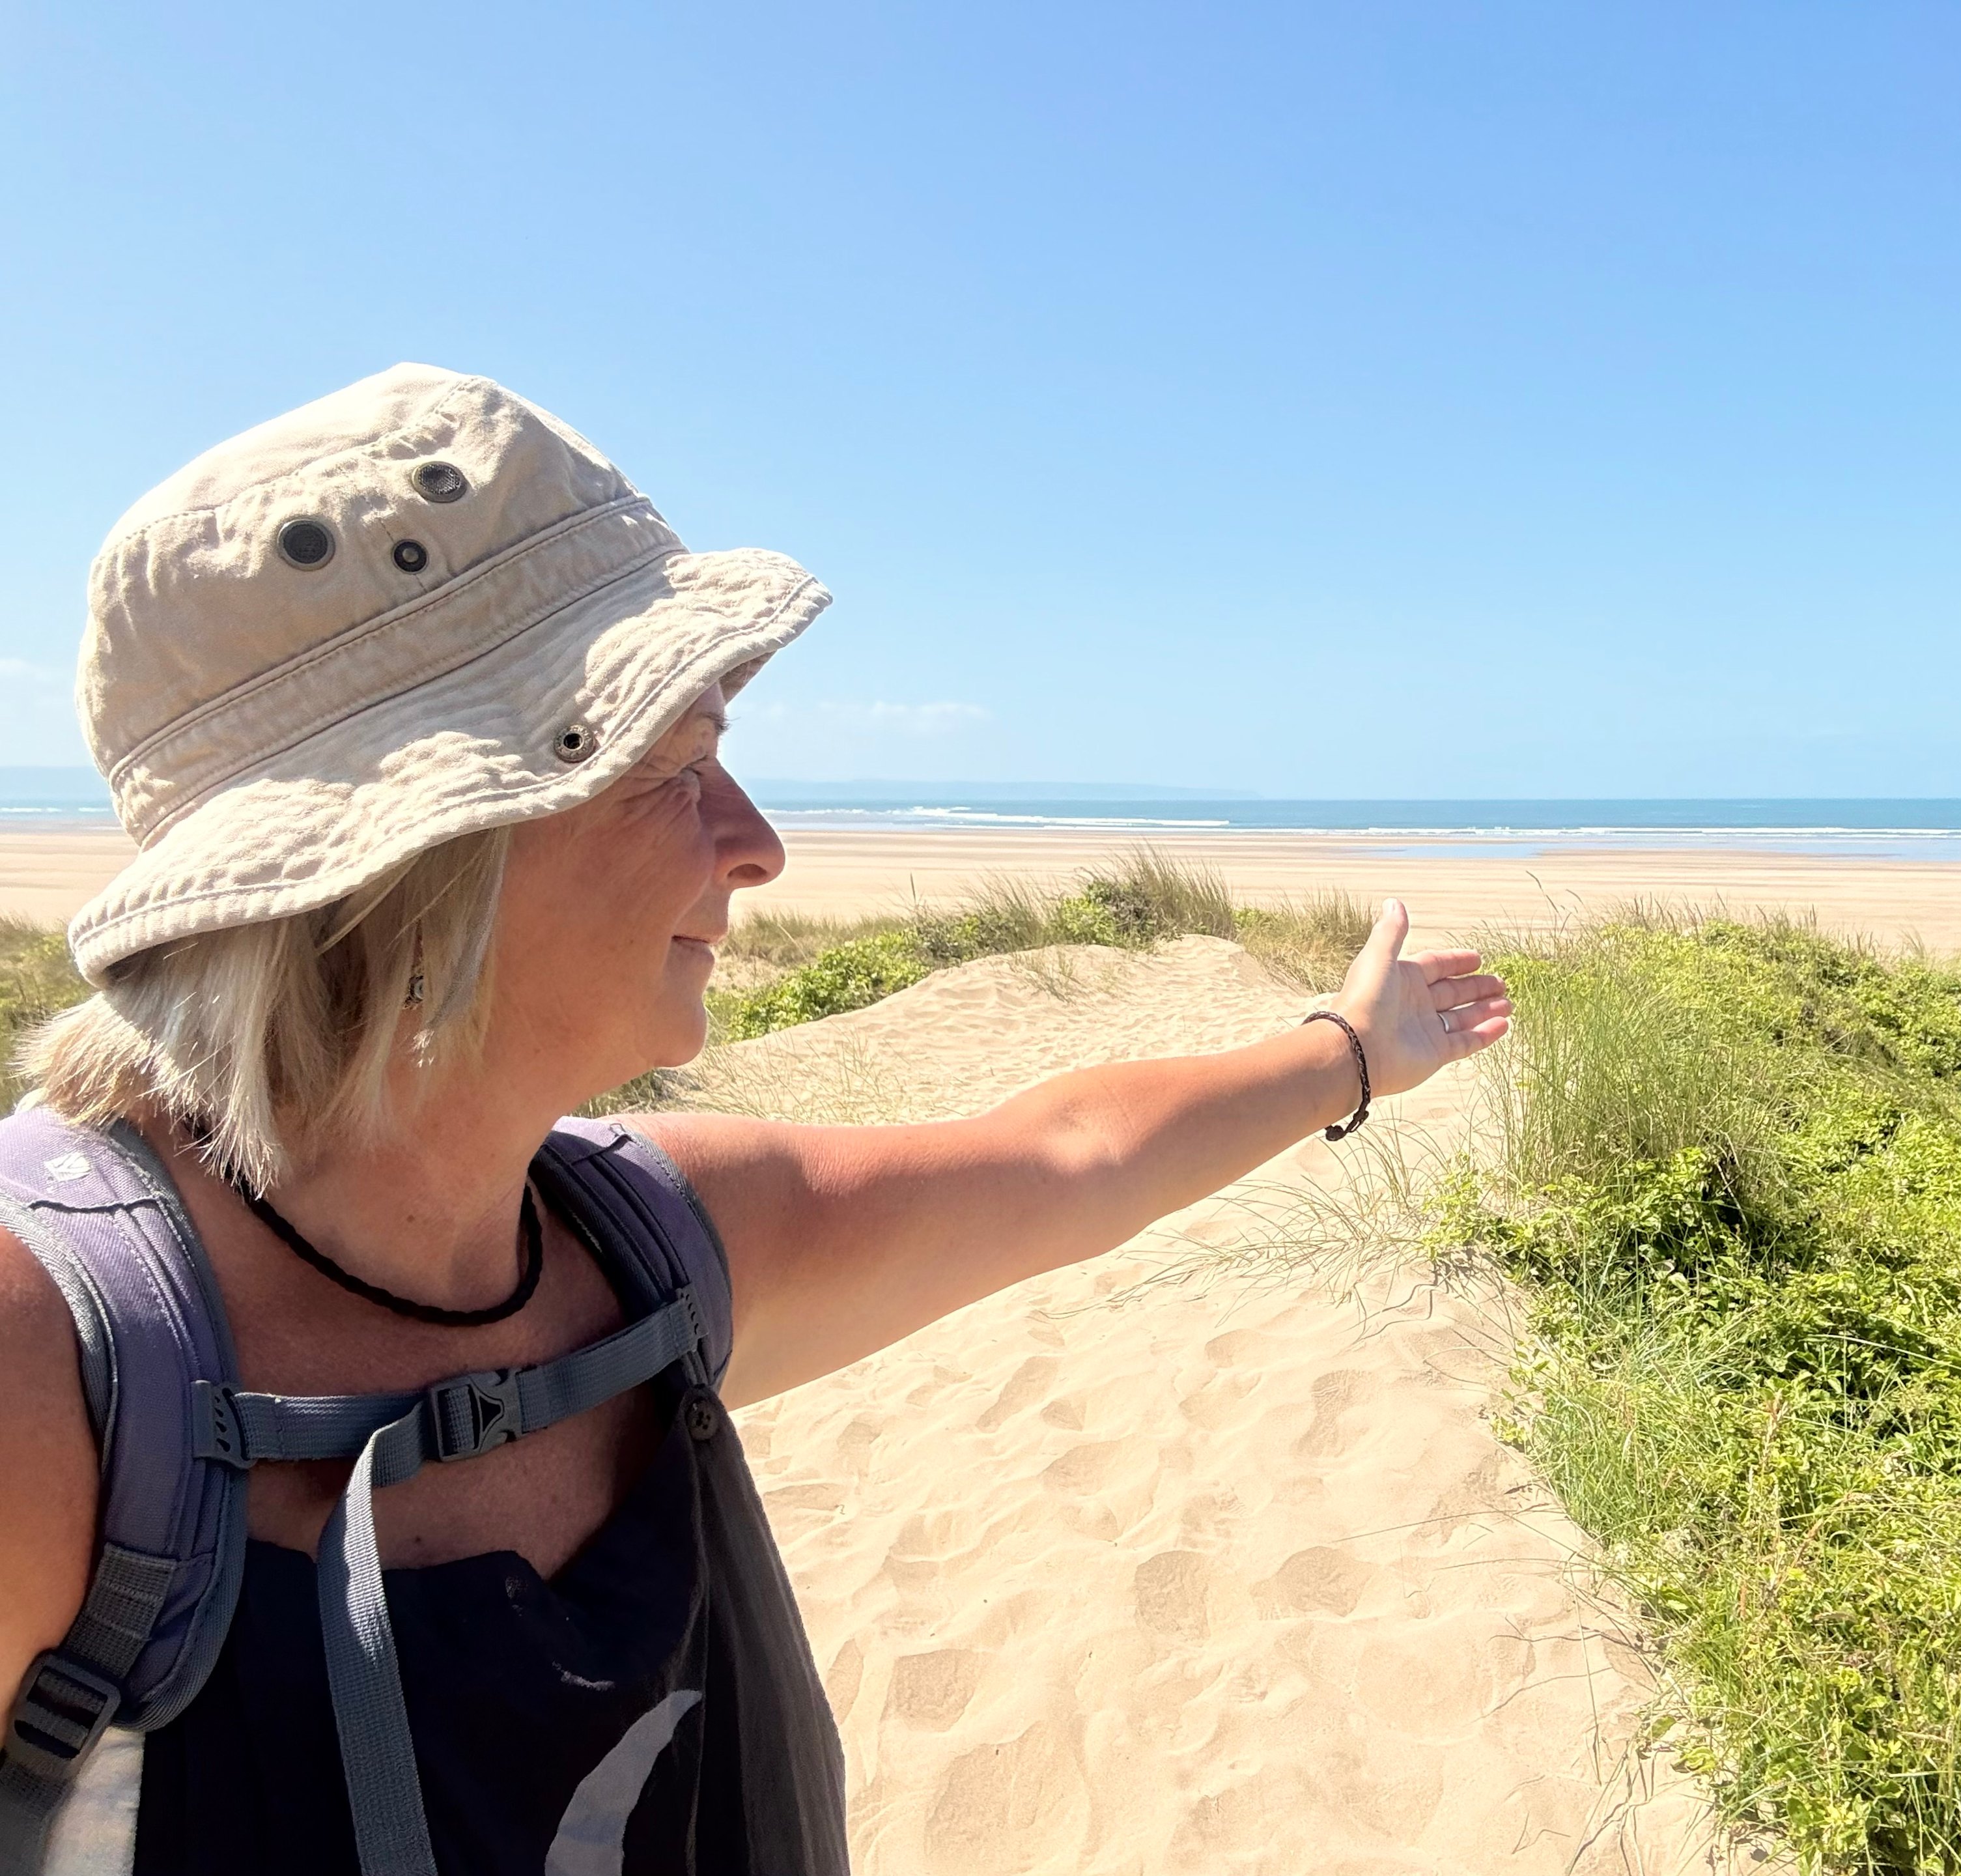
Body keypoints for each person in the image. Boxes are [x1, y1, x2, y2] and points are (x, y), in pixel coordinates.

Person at [0, 366, 1508, 1875]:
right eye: (673, 766)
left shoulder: (643, 1250)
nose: (759, 844)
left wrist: (1351, 1053)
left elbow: (1072, 1158)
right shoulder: (55, 1367)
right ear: (420, 857)